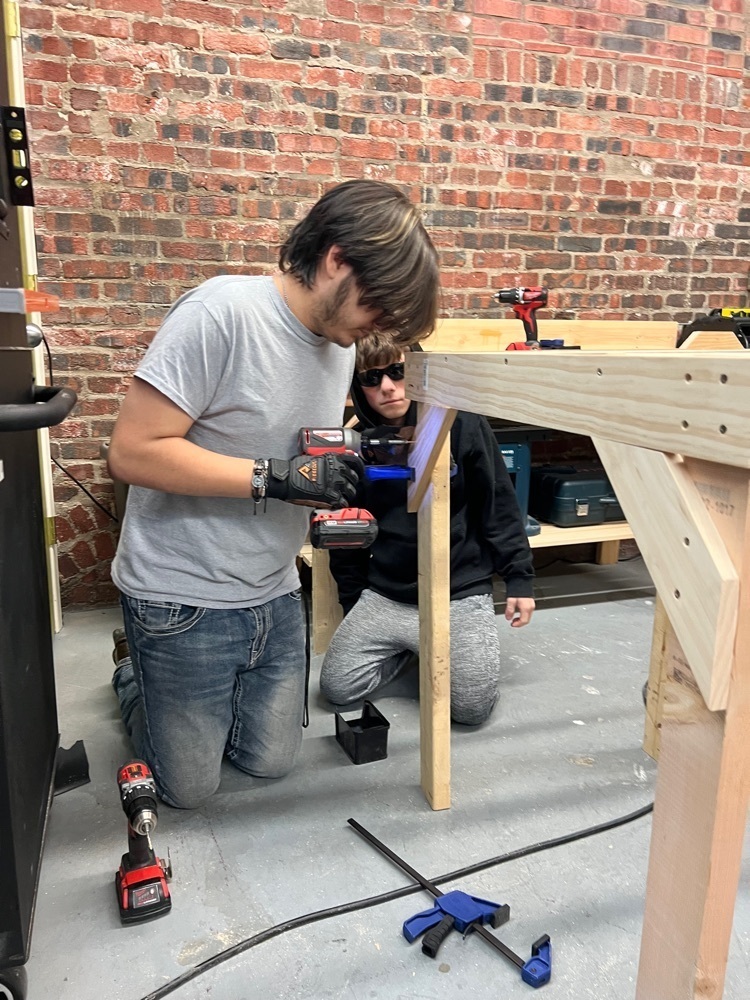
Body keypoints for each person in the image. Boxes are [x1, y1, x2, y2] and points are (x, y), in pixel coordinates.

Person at [106, 180, 440, 809]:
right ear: (336, 260)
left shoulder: (338, 347)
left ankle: (196, 694)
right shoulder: (222, 313)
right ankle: (135, 673)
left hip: (273, 591)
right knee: (187, 790)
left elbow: (295, 441)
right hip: (182, 596)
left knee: (271, 764)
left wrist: (327, 473)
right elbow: (132, 451)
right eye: (378, 306)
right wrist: (272, 478)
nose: (379, 327)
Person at [319, 334, 535, 726]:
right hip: (386, 593)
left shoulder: (464, 424)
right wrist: (354, 603)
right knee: (338, 689)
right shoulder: (355, 446)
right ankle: (407, 649)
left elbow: (498, 504)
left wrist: (519, 580)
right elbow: (347, 532)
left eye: (399, 372)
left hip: (458, 592)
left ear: (420, 374)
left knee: (470, 710)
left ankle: (435, 649)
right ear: (358, 387)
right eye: (372, 378)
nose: (387, 387)